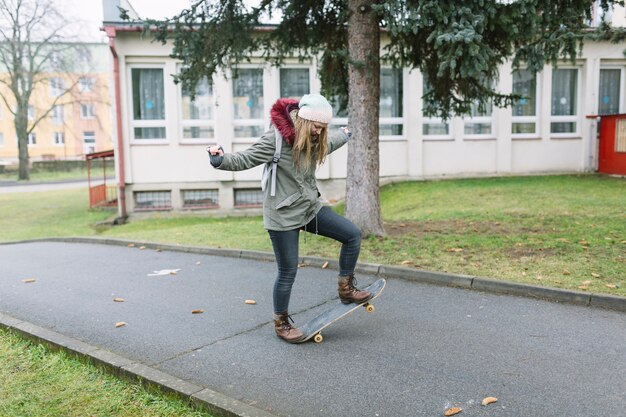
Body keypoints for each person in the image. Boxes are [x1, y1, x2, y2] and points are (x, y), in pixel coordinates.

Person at [207, 93, 371, 343]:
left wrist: (345, 134)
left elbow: (326, 145)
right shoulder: (275, 140)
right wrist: (218, 159)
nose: (319, 132)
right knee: (287, 271)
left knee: (352, 235)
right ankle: (281, 323)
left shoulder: (314, 138)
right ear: (304, 121)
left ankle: (346, 289)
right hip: (282, 216)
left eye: (323, 128)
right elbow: (244, 159)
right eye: (317, 127)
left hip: (308, 208)